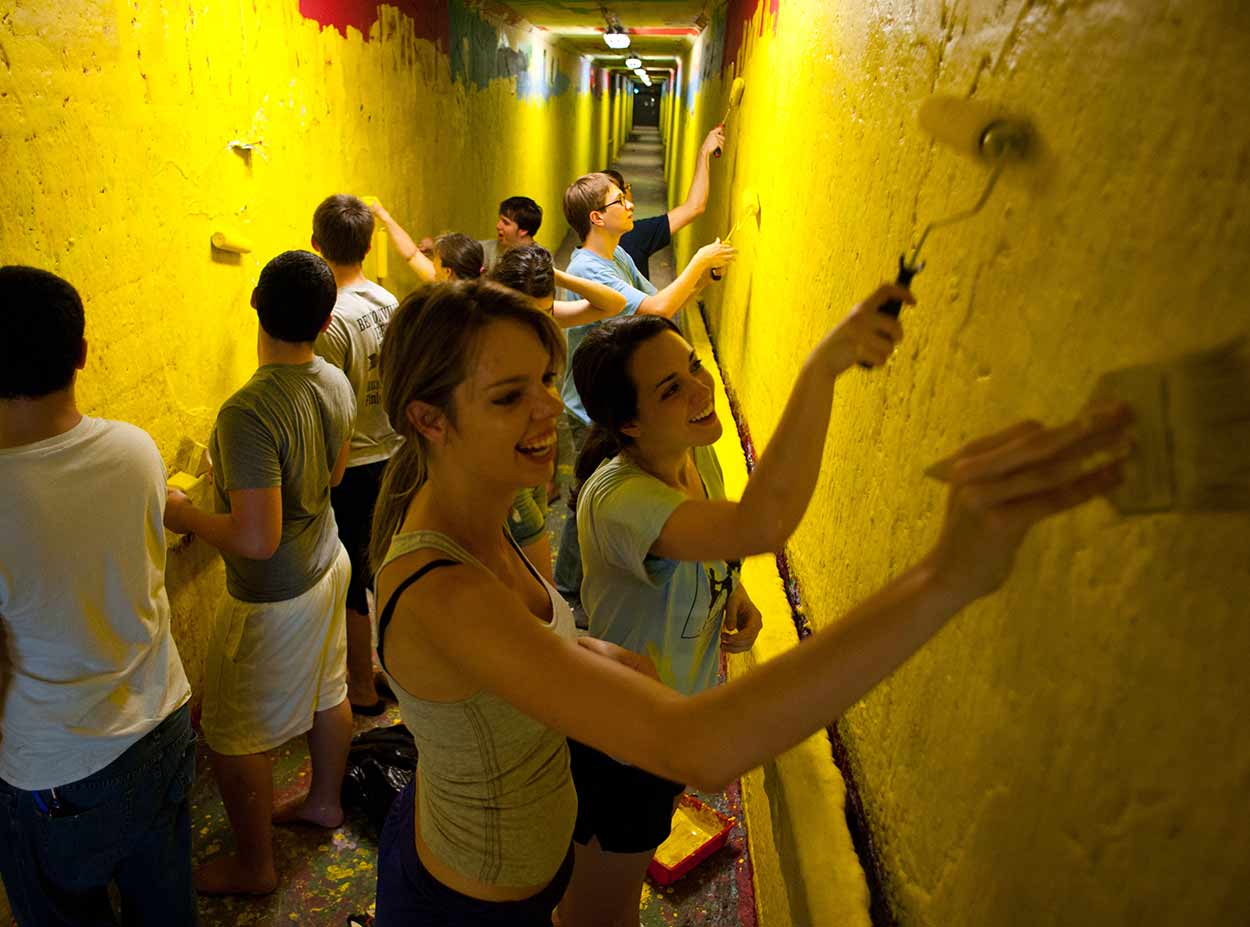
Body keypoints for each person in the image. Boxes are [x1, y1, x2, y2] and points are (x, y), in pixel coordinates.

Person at [366, 278, 1131, 926]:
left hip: (512, 865)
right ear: (429, 421)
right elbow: (697, 745)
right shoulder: (448, 588)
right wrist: (947, 575)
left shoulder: (484, 518)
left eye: (543, 379)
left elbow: (524, 647)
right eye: (509, 395)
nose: (546, 411)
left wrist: (601, 655)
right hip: (466, 903)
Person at [0, 266, 197, 925]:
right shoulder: (135, 448)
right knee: (166, 905)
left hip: (58, 767)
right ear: (82, 353)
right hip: (162, 722)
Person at [163, 250, 356, 895]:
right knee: (329, 690)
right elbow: (330, 476)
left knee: (228, 730)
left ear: (255, 305)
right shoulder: (334, 379)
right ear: (327, 319)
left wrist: (187, 514)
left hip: (276, 595)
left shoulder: (247, 411)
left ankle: (255, 866)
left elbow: (255, 537)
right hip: (329, 561)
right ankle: (324, 802)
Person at [554, 172, 736, 601]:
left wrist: (700, 281)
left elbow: (657, 307)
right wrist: (697, 260)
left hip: (618, 399)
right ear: (597, 217)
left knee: (592, 493)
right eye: (621, 199)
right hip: (594, 406)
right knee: (590, 497)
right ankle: (569, 587)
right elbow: (656, 307)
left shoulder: (617, 256)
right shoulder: (587, 268)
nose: (631, 204)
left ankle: (576, 581)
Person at [487, 243, 630, 581]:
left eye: (545, 310)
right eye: (527, 312)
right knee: (529, 550)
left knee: (524, 550)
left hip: (534, 449)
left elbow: (614, 302)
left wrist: (556, 275)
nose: (537, 322)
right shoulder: (484, 334)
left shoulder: (546, 316)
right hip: (501, 458)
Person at [311, 194, 401, 715]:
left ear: (316, 246)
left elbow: (331, 401)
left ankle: (361, 686)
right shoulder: (385, 302)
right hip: (393, 449)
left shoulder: (331, 320)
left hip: (355, 461)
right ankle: (391, 667)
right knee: (384, 568)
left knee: (350, 579)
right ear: (370, 245)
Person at [603, 124, 725, 280]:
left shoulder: (581, 262)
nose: (631, 203)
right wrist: (704, 153)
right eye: (625, 190)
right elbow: (695, 207)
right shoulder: (634, 237)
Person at [368, 200, 484, 282]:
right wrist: (383, 215)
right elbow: (413, 255)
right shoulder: (455, 283)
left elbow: (413, 255)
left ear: (448, 272)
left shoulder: (451, 308)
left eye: (436, 259)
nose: (432, 263)